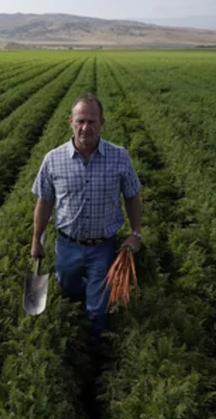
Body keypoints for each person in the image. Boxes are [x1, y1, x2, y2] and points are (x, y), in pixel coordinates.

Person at [31, 93, 143, 347]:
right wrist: (36, 240)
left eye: (92, 121)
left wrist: (136, 233)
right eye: (80, 121)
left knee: (97, 307)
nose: (85, 127)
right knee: (67, 285)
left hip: (103, 246)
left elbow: (133, 196)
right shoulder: (53, 159)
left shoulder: (119, 156)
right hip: (67, 244)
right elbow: (44, 202)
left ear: (102, 123)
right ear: (70, 121)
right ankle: (79, 315)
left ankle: (95, 346)